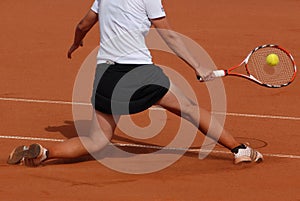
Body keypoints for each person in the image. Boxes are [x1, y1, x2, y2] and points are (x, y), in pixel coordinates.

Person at [7, 0, 263, 167]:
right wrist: (198, 66)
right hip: (140, 74)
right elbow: (170, 36)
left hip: (105, 77)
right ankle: (240, 150)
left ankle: (44, 153)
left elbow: (82, 24)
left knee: (97, 140)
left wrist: (76, 42)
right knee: (189, 108)